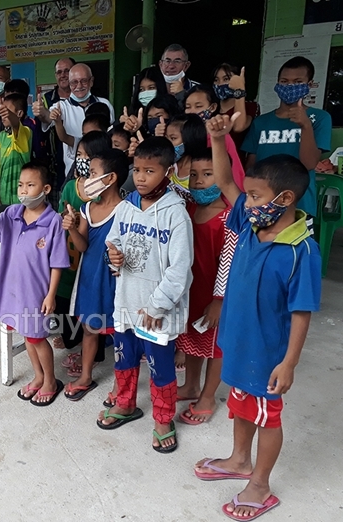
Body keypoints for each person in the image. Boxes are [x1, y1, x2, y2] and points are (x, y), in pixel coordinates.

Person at [195, 113, 321, 521]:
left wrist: (290, 362)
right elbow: (227, 182)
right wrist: (218, 140)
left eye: (254, 196)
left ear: (283, 199)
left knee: (267, 416)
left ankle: (261, 484)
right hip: (239, 342)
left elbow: (302, 312)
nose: (244, 201)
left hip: (269, 356)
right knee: (239, 406)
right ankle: (238, 461)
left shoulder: (301, 250)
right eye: (247, 196)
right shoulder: (250, 226)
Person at [99, 137, 193, 454]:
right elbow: (114, 243)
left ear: (168, 171)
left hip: (158, 312)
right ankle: (126, 404)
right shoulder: (125, 208)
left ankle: (164, 420)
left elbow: (181, 268)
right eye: (137, 169)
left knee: (160, 366)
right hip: (126, 303)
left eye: (149, 170)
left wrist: (158, 305)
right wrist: (113, 256)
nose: (140, 177)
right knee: (124, 357)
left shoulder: (175, 215)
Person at [0, 162, 69, 405]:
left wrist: (51, 295)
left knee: (37, 337)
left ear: (46, 188)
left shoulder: (53, 223)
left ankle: (50, 380)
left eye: (31, 185)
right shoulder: (12, 214)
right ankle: (39, 376)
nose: (24, 191)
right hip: (13, 289)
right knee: (27, 334)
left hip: (36, 292)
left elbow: (58, 263)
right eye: (21, 185)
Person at [174, 147, 237, 425]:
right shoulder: (188, 206)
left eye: (208, 174)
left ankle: (208, 397)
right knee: (192, 340)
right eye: (194, 175)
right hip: (191, 290)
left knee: (214, 347)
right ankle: (191, 386)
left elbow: (228, 262)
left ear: (224, 176)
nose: (199, 181)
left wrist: (219, 300)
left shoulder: (229, 216)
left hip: (215, 295)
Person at [62, 150, 129, 401]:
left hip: (116, 281)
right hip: (90, 278)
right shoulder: (88, 208)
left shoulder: (126, 210)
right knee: (89, 329)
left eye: (92, 173)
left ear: (110, 178)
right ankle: (86, 376)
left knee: (121, 334)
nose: (87, 178)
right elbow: (83, 247)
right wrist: (71, 230)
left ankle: (120, 388)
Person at [241, 56, 332, 224]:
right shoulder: (261, 122)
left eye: (297, 82)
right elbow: (251, 165)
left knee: (295, 250)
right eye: (284, 81)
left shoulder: (319, 118)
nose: (289, 86)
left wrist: (305, 125)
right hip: (262, 204)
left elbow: (310, 164)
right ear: (277, 84)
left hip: (300, 206)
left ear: (309, 85)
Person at [53, 131, 110, 362]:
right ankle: (71, 338)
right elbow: (59, 215)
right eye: (78, 155)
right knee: (65, 300)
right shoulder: (70, 188)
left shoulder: (102, 192)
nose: (81, 160)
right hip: (68, 255)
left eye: (86, 156)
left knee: (90, 304)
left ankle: (95, 350)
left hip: (91, 257)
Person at [35, 63, 115, 179]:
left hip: (103, 173)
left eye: (84, 81)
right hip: (73, 174)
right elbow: (49, 117)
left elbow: (111, 133)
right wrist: (42, 112)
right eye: (74, 82)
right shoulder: (61, 106)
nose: (79, 86)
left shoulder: (104, 104)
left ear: (91, 81)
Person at [185, 85, 246, 190]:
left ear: (212, 107)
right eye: (188, 107)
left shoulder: (221, 136)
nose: (192, 111)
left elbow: (234, 171)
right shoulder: (184, 133)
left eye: (198, 106)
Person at [213, 63, 259, 162]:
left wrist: (239, 90)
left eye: (226, 79)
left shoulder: (250, 107)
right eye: (216, 80)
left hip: (237, 166)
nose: (220, 84)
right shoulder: (211, 109)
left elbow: (238, 127)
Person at [0, 93, 32, 205]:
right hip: (2, 197)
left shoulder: (25, 132)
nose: (3, 114)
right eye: (1, 111)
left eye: (7, 110)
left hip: (21, 198)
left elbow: (15, 124)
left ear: (19, 113)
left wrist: (9, 115)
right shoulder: (1, 136)